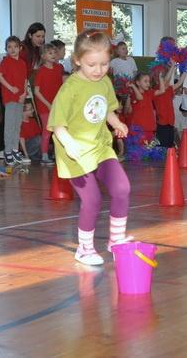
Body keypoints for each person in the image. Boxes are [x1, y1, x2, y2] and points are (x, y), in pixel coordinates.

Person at [48, 30, 131, 266]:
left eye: (104, 64)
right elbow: (57, 125)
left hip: (100, 146)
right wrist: (69, 143)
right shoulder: (70, 88)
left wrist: (117, 123)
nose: (98, 70)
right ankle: (84, 248)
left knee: (122, 188)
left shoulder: (104, 82)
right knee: (92, 199)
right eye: (92, 64)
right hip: (74, 152)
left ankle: (116, 240)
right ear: (77, 60)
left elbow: (107, 109)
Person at [0, 36, 30, 167]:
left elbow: (25, 80)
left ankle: (15, 149)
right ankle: (7, 151)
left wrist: (24, 93)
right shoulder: (6, 62)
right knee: (9, 125)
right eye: (9, 47)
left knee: (17, 125)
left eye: (15, 46)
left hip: (20, 98)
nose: (12, 49)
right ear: (6, 49)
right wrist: (10, 88)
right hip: (10, 98)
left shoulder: (22, 63)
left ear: (20, 48)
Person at [34, 43, 64, 165]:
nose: (53, 55)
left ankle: (58, 154)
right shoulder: (41, 71)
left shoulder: (58, 68)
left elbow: (62, 86)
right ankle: (44, 155)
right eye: (50, 53)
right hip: (45, 107)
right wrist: (47, 104)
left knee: (59, 131)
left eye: (54, 52)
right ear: (43, 56)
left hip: (57, 105)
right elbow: (36, 91)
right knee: (47, 131)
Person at [153, 63, 185, 148]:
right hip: (162, 123)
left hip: (170, 122)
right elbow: (166, 81)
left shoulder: (169, 89)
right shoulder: (157, 89)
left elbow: (179, 83)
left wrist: (185, 70)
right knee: (164, 146)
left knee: (170, 145)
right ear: (158, 80)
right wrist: (173, 66)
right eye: (163, 78)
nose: (167, 81)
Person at [129, 72, 159, 142]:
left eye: (149, 81)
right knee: (140, 147)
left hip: (149, 128)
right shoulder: (134, 94)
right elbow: (140, 98)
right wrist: (133, 86)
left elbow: (162, 90)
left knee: (149, 147)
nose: (148, 83)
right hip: (139, 129)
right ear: (138, 83)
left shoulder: (149, 93)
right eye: (145, 81)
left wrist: (160, 78)